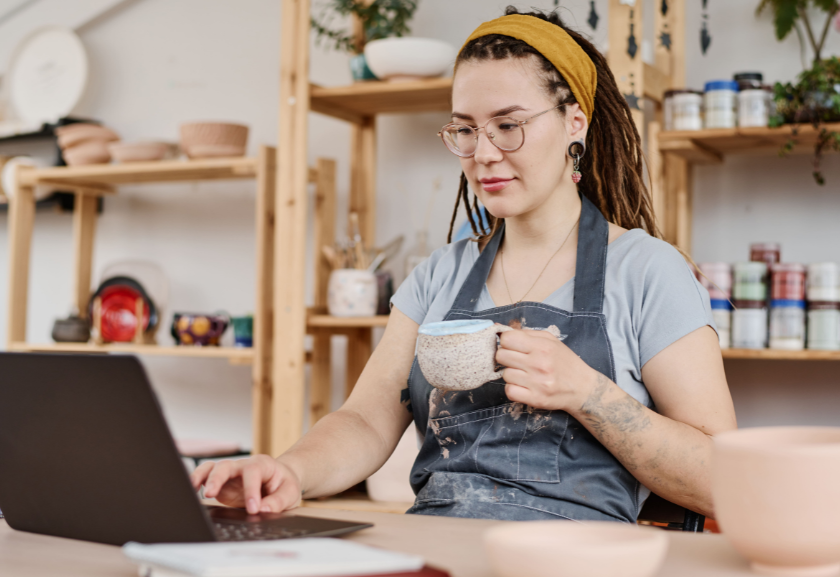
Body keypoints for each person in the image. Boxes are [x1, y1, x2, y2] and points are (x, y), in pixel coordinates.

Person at [192, 7, 737, 523]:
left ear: (575, 121)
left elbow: (722, 480)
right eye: (466, 129)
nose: (484, 153)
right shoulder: (439, 275)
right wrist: (288, 470)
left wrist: (588, 393)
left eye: (508, 125)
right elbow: (364, 420)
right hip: (439, 544)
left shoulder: (648, 272)